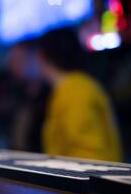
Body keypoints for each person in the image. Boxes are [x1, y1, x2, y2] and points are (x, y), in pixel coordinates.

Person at [37, 29, 123, 162]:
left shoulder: (74, 90)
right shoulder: (75, 86)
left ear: (43, 57)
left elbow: (89, 153)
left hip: (90, 180)